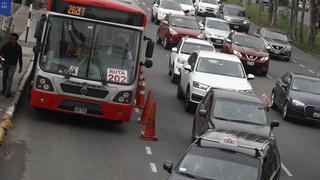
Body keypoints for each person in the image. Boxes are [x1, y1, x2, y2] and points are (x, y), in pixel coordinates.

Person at [0, 33, 23, 97]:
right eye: (12, 38)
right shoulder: (6, 45)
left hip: (13, 65)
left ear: (16, 40)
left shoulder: (18, 47)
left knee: (9, 78)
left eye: (14, 39)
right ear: (10, 39)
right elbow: (0, 53)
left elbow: (20, 57)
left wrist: (21, 66)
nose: (13, 40)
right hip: (5, 64)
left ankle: (7, 91)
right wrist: (1, 61)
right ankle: (4, 89)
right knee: (4, 78)